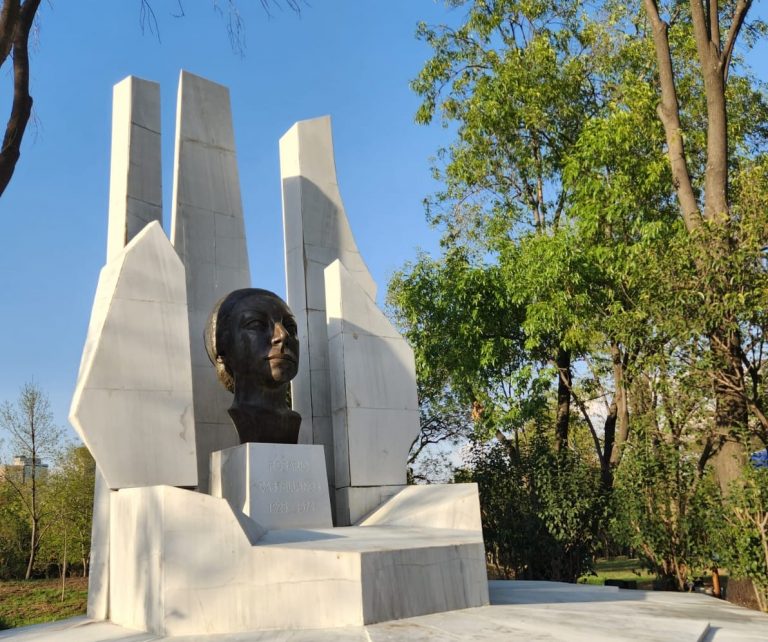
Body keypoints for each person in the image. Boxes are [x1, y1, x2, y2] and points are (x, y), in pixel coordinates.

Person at [205, 288, 301, 444]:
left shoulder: (294, 421)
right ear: (222, 346)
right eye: (256, 324)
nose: (283, 335)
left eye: (290, 327)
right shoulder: (231, 420)